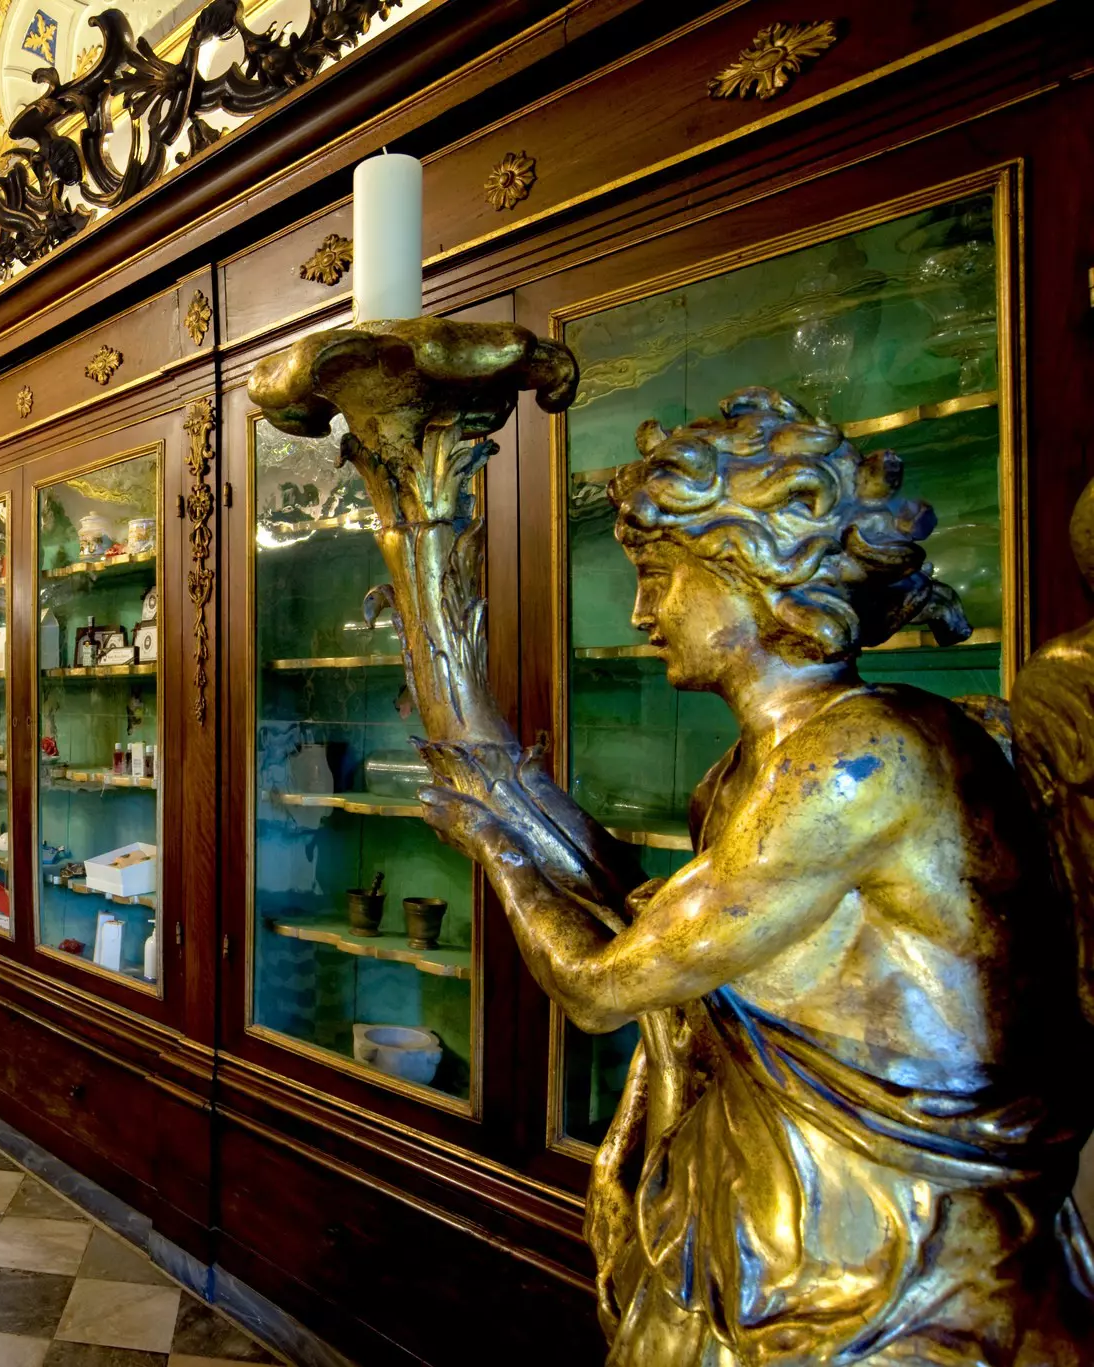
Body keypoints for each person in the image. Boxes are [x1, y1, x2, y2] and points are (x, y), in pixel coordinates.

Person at [418, 388, 1094, 1365]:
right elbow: (651, 913)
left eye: (658, 575)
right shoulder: (747, 768)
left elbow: (607, 983)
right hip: (770, 1193)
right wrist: (512, 805)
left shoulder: (859, 761)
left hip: (884, 1239)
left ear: (756, 568)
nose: (642, 612)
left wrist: (501, 853)